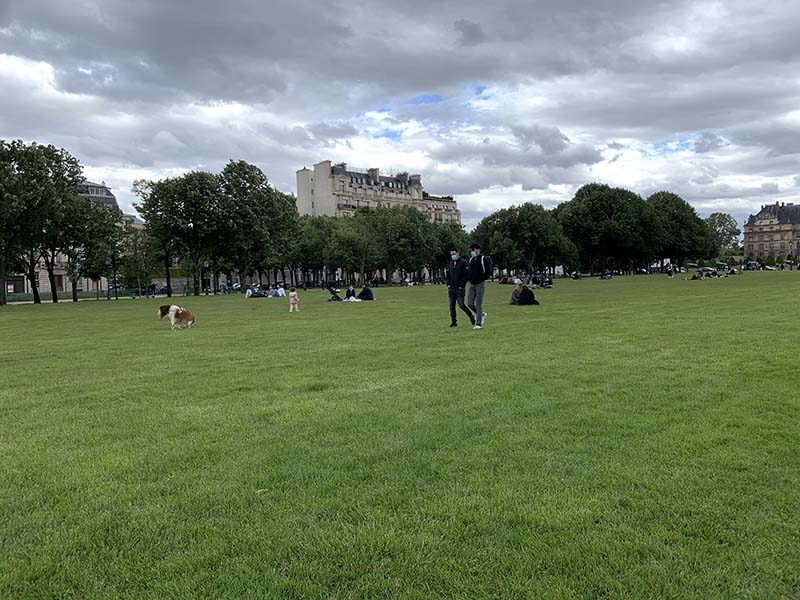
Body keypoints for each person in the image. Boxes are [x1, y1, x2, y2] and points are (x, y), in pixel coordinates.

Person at [446, 248, 475, 328]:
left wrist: (461, 285)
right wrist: (448, 284)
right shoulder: (450, 263)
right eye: (451, 254)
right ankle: (453, 322)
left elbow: (466, 275)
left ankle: (471, 317)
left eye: (454, 254)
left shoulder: (463, 263)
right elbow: (448, 275)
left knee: (461, 305)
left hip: (459, 288)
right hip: (451, 288)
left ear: (458, 253)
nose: (453, 256)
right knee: (451, 306)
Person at [467, 242, 492, 330]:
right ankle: (481, 314)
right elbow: (469, 271)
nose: (472, 252)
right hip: (472, 284)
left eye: (473, 250)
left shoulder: (483, 259)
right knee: (470, 303)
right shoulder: (471, 260)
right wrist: (470, 279)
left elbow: (488, 271)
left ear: (478, 250)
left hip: (480, 283)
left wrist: (482, 278)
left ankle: (478, 323)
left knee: (478, 303)